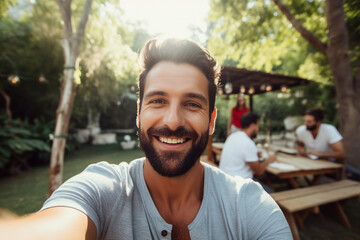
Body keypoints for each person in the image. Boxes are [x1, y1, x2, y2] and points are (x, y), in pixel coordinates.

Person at [0, 38, 291, 239]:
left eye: (192, 104)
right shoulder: (102, 190)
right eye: (158, 101)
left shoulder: (251, 206)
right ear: (138, 114)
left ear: (212, 120)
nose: (173, 121)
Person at [296, 108, 360, 180]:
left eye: (309, 122)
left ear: (318, 122)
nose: (306, 124)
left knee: (355, 175)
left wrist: (320, 154)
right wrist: (301, 151)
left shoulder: (329, 130)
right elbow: (300, 145)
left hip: (330, 162)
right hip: (311, 162)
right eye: (305, 121)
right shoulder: (301, 130)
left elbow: (341, 154)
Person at [220, 112, 276, 193]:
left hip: (226, 181)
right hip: (239, 187)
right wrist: (269, 160)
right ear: (253, 125)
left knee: (263, 183)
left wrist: (254, 155)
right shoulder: (247, 142)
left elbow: (240, 154)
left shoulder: (232, 137)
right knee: (271, 193)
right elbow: (259, 171)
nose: (258, 129)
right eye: (257, 126)